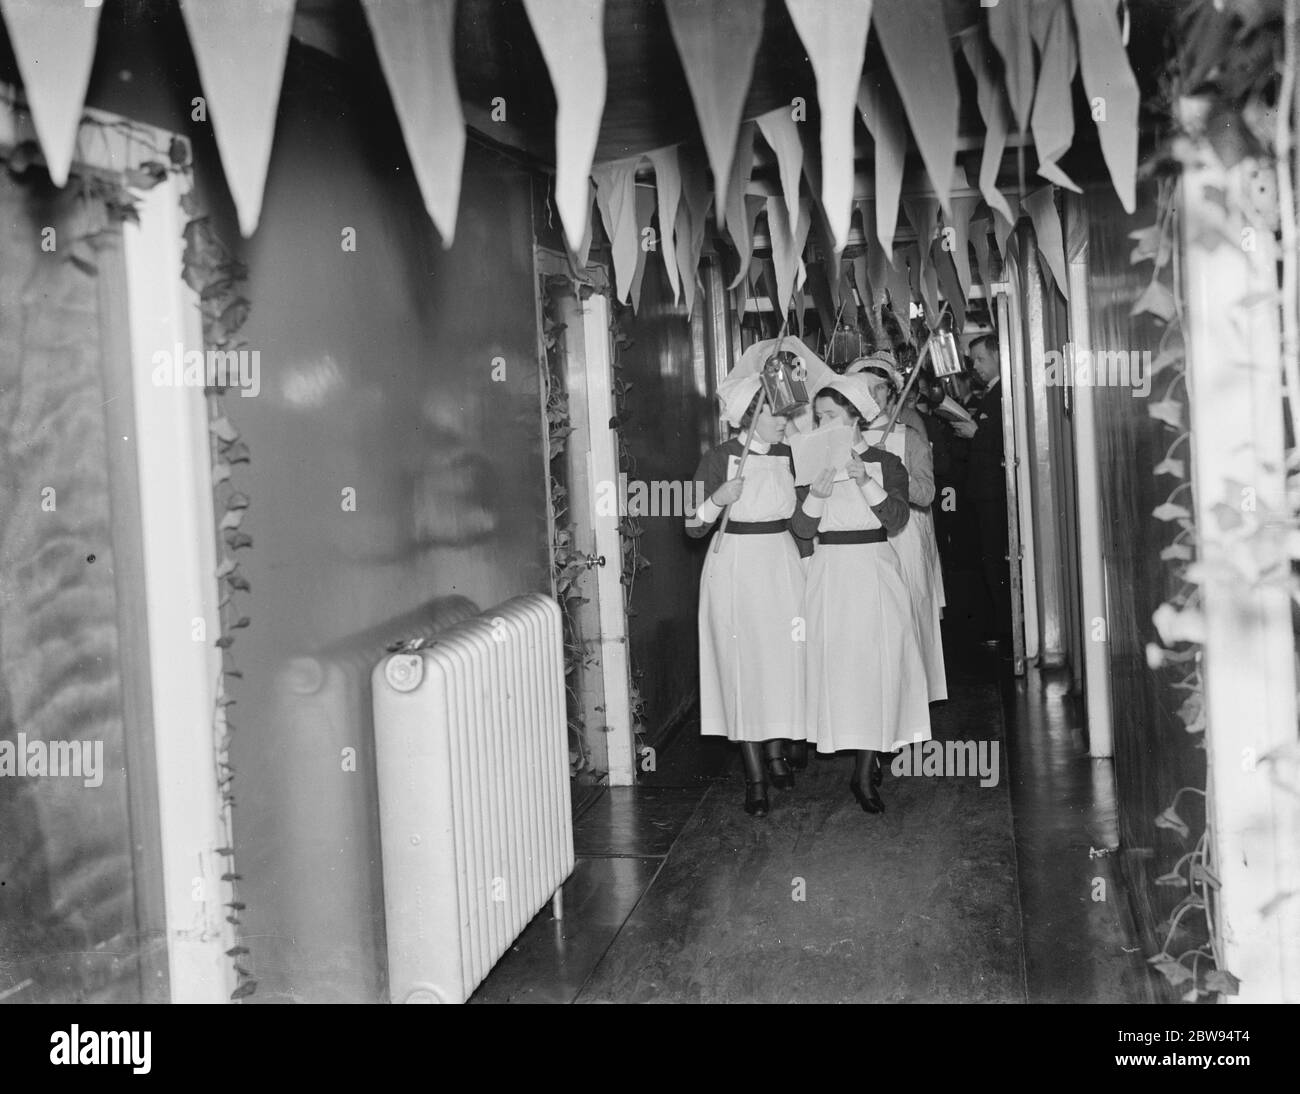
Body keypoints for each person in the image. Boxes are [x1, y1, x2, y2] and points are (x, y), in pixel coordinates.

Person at [686, 370, 819, 817]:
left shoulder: (789, 455)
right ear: (748, 416)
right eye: (776, 414)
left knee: (782, 661)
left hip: (780, 563)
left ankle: (777, 753)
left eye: (786, 413)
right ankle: (755, 775)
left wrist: (807, 564)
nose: (786, 421)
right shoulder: (718, 458)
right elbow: (691, 524)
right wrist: (719, 497)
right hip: (736, 566)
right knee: (744, 667)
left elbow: (801, 520)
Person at [799, 374, 932, 814]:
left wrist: (863, 479)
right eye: (818, 418)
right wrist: (815, 497)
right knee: (840, 669)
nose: (822, 425)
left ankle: (865, 769)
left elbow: (896, 519)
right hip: (831, 572)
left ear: (855, 417)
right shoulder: (811, 462)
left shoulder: (886, 461)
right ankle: (851, 750)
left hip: (875, 570)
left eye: (831, 417)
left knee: (878, 666)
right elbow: (801, 529)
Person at [847, 356, 948, 702]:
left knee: (907, 621)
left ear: (891, 394)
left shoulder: (911, 439)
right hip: (857, 542)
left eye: (877, 389)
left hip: (902, 537)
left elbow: (929, 492)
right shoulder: (840, 440)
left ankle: (911, 703)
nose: (871, 398)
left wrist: (893, 475)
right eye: (862, 390)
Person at [953, 334, 1012, 646]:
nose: (975, 367)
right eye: (972, 361)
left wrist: (976, 433)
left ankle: (1004, 628)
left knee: (994, 558)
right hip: (984, 491)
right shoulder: (991, 393)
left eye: (980, 359)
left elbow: (1008, 439)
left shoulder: (1004, 392)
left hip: (994, 493)